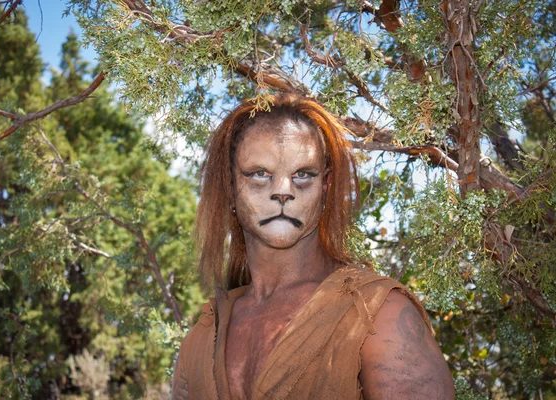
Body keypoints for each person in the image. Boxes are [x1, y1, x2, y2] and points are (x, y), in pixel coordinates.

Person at [172, 94, 455, 399]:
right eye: (259, 174)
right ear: (229, 187)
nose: (283, 191)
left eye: (303, 175)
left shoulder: (377, 312)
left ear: (325, 186)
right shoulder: (202, 337)